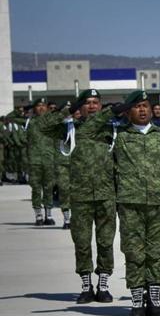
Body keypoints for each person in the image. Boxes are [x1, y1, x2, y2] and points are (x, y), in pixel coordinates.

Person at [77, 90, 160, 316]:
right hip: (129, 205)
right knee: (134, 253)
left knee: (156, 254)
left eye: (146, 105)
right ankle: (137, 302)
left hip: (158, 204)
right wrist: (110, 111)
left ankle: (154, 301)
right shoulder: (118, 136)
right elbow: (86, 130)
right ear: (128, 111)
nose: (143, 110)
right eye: (137, 106)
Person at [38, 89, 119, 304]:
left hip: (106, 195)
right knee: (82, 242)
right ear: (80, 106)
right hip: (80, 196)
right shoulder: (69, 128)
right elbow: (41, 126)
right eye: (87, 103)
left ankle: (103, 284)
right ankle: (85, 285)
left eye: (95, 102)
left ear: (101, 106)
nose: (92, 106)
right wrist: (67, 111)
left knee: (105, 242)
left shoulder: (111, 127)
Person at [7, 99, 58, 225]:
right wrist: (22, 109)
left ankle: (49, 215)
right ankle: (38, 216)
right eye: (38, 106)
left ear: (47, 108)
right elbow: (9, 118)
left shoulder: (52, 121)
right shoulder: (29, 122)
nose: (41, 108)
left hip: (49, 160)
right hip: (34, 161)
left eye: (43, 106)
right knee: (36, 189)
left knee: (48, 188)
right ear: (34, 108)